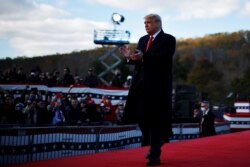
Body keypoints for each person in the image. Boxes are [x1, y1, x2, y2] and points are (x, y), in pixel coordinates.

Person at [119, 14, 176, 166]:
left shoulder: (169, 39)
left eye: (149, 22)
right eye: (144, 23)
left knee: (155, 120)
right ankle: (156, 141)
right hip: (140, 86)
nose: (146, 25)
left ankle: (154, 154)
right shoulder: (143, 40)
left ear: (158, 23)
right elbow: (138, 60)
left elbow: (162, 58)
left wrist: (143, 57)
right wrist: (129, 57)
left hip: (158, 87)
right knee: (141, 117)